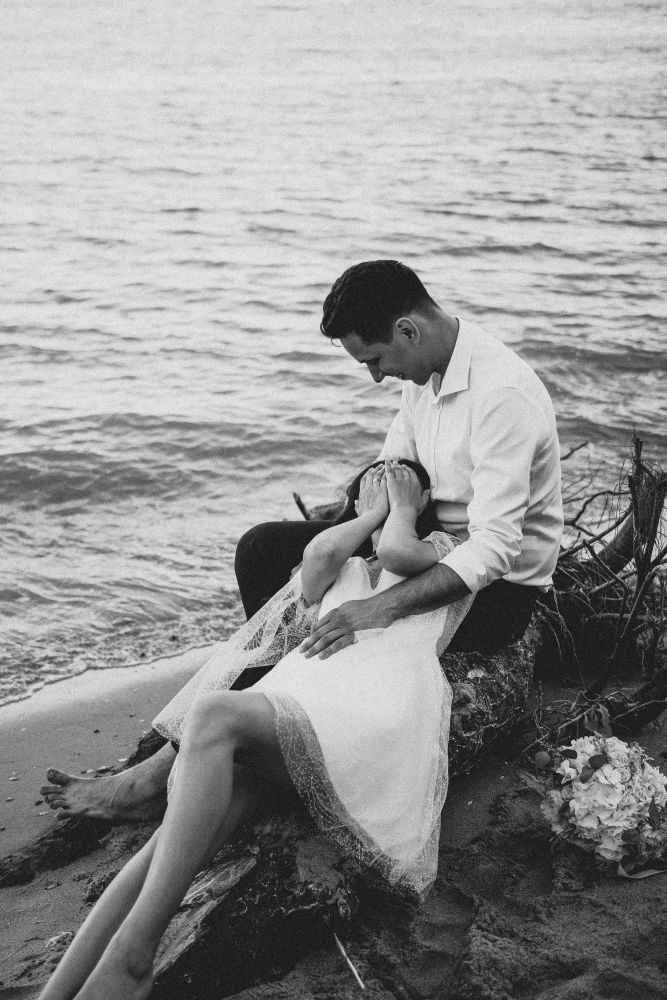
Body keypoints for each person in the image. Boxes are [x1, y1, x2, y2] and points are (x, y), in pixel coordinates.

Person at [41, 258, 563, 821]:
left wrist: (379, 607)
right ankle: (262, 709)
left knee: (328, 607)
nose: (376, 377)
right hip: (421, 538)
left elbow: (495, 549)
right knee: (263, 550)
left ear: (407, 330)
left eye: (375, 360)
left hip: (494, 594)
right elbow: (393, 464)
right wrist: (370, 512)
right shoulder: (426, 370)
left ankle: (158, 777)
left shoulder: (501, 395)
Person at [37, 459, 473, 1000]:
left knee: (213, 713)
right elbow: (319, 556)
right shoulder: (342, 562)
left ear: (422, 501)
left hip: (369, 723)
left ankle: (135, 957)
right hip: (299, 718)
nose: (383, 495)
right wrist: (368, 516)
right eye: (372, 487)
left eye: (398, 486)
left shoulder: (443, 556)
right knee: (164, 848)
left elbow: (397, 553)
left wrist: (401, 510)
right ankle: (64, 991)